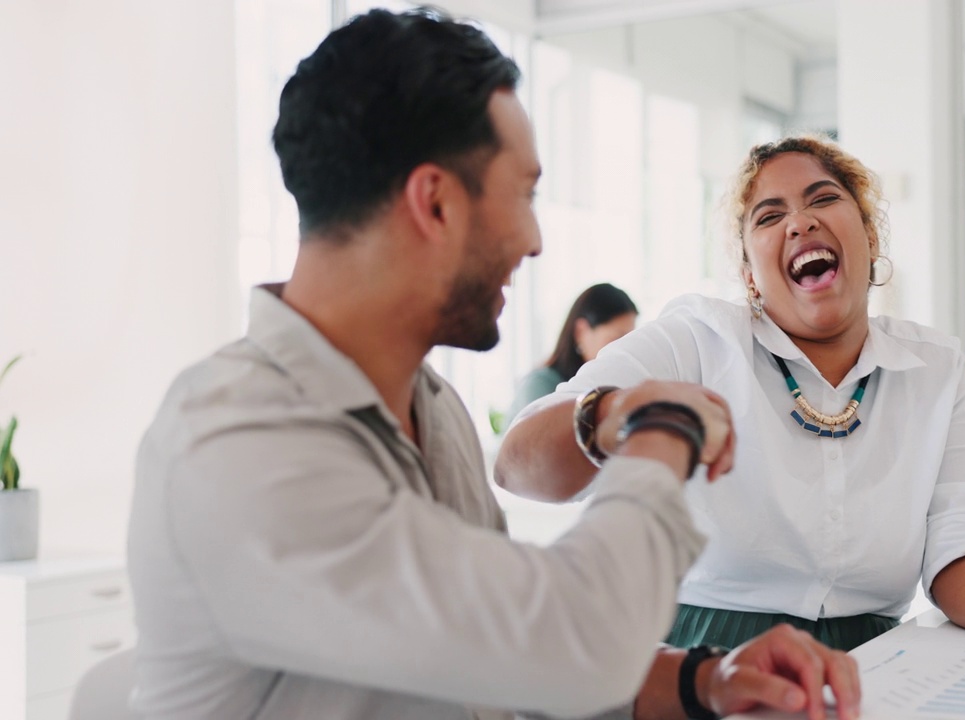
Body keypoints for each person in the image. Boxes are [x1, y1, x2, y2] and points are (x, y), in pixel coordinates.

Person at [126, 11, 860, 720]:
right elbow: (581, 637)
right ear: (436, 204)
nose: (535, 238)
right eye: (525, 193)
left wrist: (707, 680)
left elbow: (516, 655)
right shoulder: (239, 443)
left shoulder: (433, 407)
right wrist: (661, 425)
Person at [496, 134, 965, 655]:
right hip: (701, 666)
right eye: (769, 216)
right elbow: (519, 462)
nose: (799, 223)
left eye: (823, 200)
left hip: (878, 669)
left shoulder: (939, 368)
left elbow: (963, 552)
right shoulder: (699, 337)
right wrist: (612, 411)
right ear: (749, 270)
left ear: (869, 233)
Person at [507, 282, 638, 423]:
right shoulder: (539, 385)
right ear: (580, 332)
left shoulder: (607, 385)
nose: (623, 349)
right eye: (616, 339)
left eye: (629, 341)